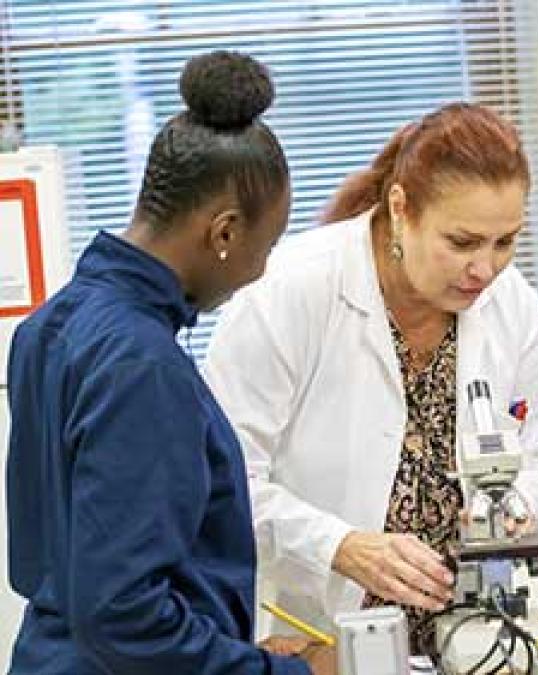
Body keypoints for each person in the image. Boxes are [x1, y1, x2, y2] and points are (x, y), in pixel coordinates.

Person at [5, 51, 331, 673]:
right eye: (267, 246)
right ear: (226, 233)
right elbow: (124, 613)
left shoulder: (50, 327)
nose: (261, 271)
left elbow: (70, 567)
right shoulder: (141, 364)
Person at [202, 102, 538, 649]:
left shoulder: (513, 305)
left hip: (473, 635)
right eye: (462, 242)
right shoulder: (289, 291)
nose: (484, 269)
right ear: (401, 208)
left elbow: (535, 457)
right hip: (317, 633)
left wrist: (519, 510)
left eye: (505, 242)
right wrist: (340, 546)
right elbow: (223, 484)